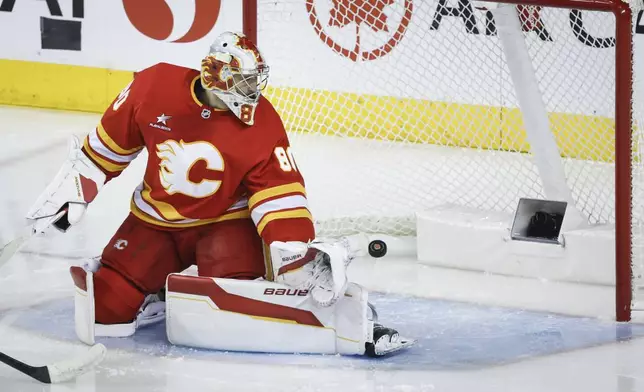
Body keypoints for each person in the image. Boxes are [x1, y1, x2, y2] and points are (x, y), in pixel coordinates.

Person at [25, 31, 413, 357]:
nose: (253, 90)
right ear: (217, 76)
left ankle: (335, 317)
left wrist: (295, 254)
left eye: (254, 79)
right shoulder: (152, 86)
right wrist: (75, 191)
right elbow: (103, 153)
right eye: (244, 81)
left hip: (224, 226)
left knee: (231, 312)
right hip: (154, 223)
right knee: (104, 313)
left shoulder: (263, 122)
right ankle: (155, 293)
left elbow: (279, 196)